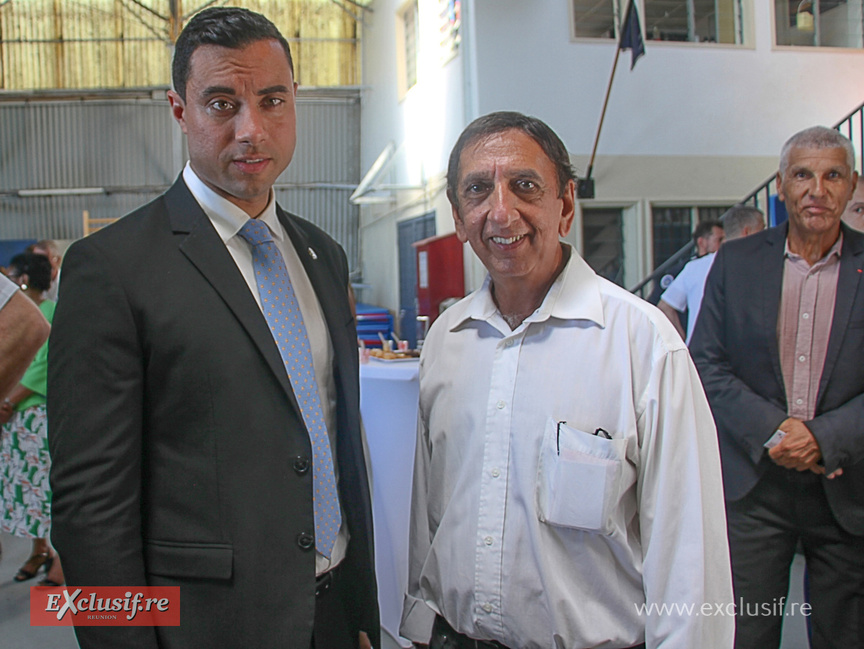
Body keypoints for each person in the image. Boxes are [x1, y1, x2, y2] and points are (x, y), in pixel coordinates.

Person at [47, 7, 378, 649]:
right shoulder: (112, 269)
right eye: (222, 103)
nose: (251, 129)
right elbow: (91, 508)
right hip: (206, 625)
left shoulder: (320, 255)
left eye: (271, 100)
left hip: (335, 614)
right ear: (180, 111)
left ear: (294, 103)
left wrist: (363, 613)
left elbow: (334, 450)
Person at [401, 111, 733, 649]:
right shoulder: (447, 339)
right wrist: (418, 624)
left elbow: (689, 553)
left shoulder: (641, 344)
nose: (501, 212)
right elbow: (431, 513)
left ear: (567, 205)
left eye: (525, 186)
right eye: (479, 190)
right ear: (459, 217)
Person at [691, 126, 864, 649]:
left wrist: (822, 436)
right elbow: (706, 362)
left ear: (853, 184)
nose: (818, 189)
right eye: (803, 175)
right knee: (745, 634)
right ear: (782, 186)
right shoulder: (736, 263)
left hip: (847, 488)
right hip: (754, 488)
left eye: (833, 175)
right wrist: (776, 430)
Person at [0, 253, 64, 587]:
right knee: (26, 493)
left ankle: (62, 559)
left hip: (35, 416)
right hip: (16, 419)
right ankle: (39, 550)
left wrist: (9, 399)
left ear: (24, 278)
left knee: (45, 488)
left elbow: (41, 369)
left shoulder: (49, 314)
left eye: (11, 274)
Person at [659, 206, 764, 344]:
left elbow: (665, 306)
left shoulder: (695, 267)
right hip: (735, 354)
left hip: (698, 354)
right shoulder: (755, 267)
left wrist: (684, 342)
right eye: (762, 230)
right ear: (747, 232)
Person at [646, 219, 724, 306]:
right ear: (702, 242)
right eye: (719, 240)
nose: (724, 244)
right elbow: (658, 304)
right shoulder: (683, 269)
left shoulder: (723, 266)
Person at [0, 273, 49, 398]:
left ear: (24, 279)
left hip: (31, 401)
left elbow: (31, 325)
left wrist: (11, 400)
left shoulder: (50, 310)